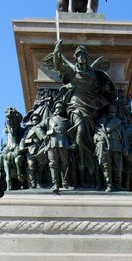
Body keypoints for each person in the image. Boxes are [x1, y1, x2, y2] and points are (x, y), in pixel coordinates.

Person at [46, 41, 116, 187]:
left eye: (83, 55)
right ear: (76, 58)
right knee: (81, 129)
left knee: (88, 134)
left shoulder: (92, 74)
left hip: (91, 107)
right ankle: (78, 153)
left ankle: (85, 159)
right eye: (78, 55)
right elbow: (59, 65)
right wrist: (56, 51)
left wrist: (108, 90)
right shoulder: (72, 72)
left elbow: (100, 89)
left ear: (86, 58)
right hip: (75, 105)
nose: (81, 57)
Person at [94, 104, 126, 192]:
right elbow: (95, 135)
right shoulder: (100, 124)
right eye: (110, 112)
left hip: (116, 147)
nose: (112, 114)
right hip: (104, 147)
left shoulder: (119, 123)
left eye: (114, 112)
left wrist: (125, 147)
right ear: (106, 113)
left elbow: (124, 137)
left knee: (117, 167)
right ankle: (109, 185)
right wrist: (98, 138)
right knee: (106, 167)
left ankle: (118, 185)